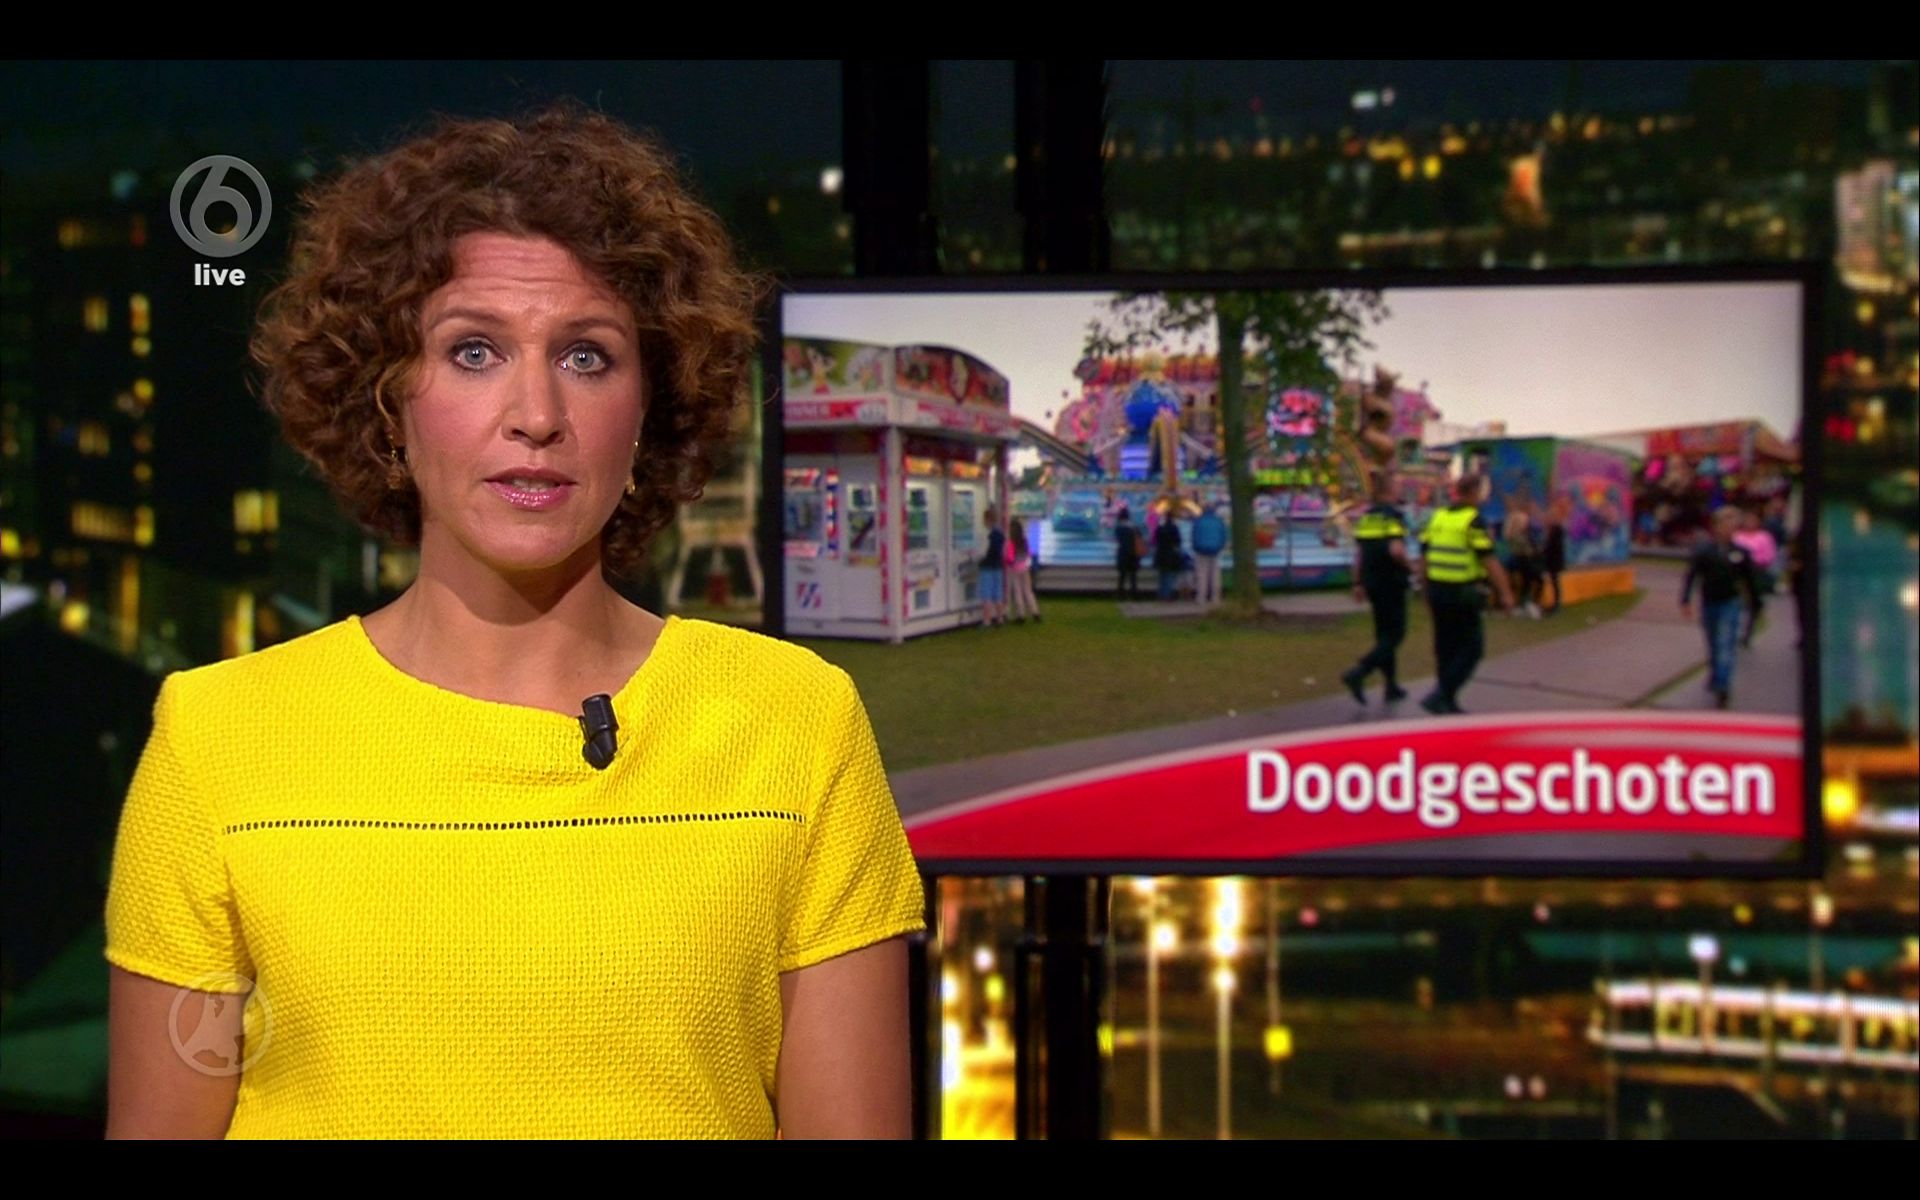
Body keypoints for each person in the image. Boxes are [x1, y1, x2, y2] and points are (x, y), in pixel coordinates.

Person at [102, 105, 924, 1140]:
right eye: (475, 351)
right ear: (387, 401)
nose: (536, 414)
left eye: (586, 357)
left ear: (652, 407)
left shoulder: (795, 724)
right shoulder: (218, 739)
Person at [1416, 473, 1514, 716]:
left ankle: (1447, 702)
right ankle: (1440, 696)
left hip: (1438, 590)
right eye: (1481, 492)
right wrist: (1506, 593)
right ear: (1474, 492)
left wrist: (1424, 589)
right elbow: (1489, 560)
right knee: (1472, 649)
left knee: (1445, 648)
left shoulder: (1437, 517)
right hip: (1461, 593)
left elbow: (1424, 557)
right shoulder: (1473, 521)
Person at [1340, 475, 1412, 705]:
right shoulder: (1393, 516)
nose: (1400, 490)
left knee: (1383, 634)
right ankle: (1359, 672)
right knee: (1396, 634)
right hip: (1392, 581)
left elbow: (1359, 554)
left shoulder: (1366, 517)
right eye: (1397, 486)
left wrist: (1357, 583)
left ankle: (1391, 686)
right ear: (1388, 490)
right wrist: (1412, 567)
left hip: (1372, 582)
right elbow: (1396, 550)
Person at [1682, 506, 1762, 708]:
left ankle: (1723, 685)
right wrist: (1685, 599)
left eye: (1732, 525)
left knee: (1725, 642)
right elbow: (1692, 575)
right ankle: (1715, 673)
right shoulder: (1704, 551)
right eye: (1724, 524)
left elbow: (1749, 580)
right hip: (1710, 602)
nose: (1728, 529)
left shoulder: (1740, 553)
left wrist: (1756, 603)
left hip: (1730, 602)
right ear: (1716, 527)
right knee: (1713, 642)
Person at [1731, 508, 1778, 647]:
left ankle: (1748, 633)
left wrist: (1758, 561)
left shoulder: (1764, 537)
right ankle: (1735, 632)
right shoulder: (1737, 536)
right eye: (1747, 520)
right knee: (1738, 602)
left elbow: (1770, 555)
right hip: (1738, 573)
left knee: (1752, 603)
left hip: (1756, 571)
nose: (1750, 523)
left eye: (1753, 520)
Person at [1502, 508, 1542, 619]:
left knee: (1527, 584)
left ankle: (1526, 604)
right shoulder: (1518, 537)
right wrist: (1535, 550)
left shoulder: (1514, 536)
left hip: (1521, 563)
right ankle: (1528, 604)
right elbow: (1527, 551)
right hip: (1524, 563)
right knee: (1532, 583)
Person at [1190, 501, 1227, 607]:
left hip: (1200, 550)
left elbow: (1194, 536)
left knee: (1201, 575)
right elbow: (1223, 536)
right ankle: (1216, 598)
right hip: (1215, 550)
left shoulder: (1198, 521)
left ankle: (1201, 597)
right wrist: (1220, 546)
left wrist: (1195, 547)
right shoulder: (1219, 521)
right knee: (1215, 575)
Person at [1006, 518, 1041, 623]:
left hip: (1015, 569)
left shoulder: (1011, 543)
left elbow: (1010, 558)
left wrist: (1008, 563)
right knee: (1028, 591)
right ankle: (1035, 612)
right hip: (1025, 568)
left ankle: (1020, 614)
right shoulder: (1024, 541)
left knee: (1018, 592)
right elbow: (1029, 554)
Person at [978, 506, 1008, 627]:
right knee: (998, 594)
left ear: (987, 520)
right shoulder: (1000, 534)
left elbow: (984, 552)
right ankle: (1000, 618)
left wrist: (979, 559)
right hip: (998, 567)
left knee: (986, 595)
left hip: (987, 567)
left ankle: (987, 620)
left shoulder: (989, 535)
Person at [1539, 498, 1568, 615]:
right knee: (1553, 581)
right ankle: (1554, 603)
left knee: (1555, 581)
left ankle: (1557, 604)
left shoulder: (1557, 530)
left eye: (1550, 517)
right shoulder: (1552, 530)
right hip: (1552, 560)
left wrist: (1543, 550)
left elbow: (1552, 546)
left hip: (1554, 560)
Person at [1153, 509, 1185, 601]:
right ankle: (1166, 595)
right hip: (1170, 555)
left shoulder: (1160, 528)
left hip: (1160, 554)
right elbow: (1178, 541)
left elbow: (1155, 540)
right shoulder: (1174, 528)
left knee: (1162, 575)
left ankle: (1161, 594)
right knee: (1169, 575)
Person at [1114, 505, 1142, 600]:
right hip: (1133, 554)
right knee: (1133, 576)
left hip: (1123, 554)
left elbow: (1117, 540)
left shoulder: (1119, 528)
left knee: (1122, 576)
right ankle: (1134, 595)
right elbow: (1139, 538)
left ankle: (1120, 595)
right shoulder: (1134, 527)